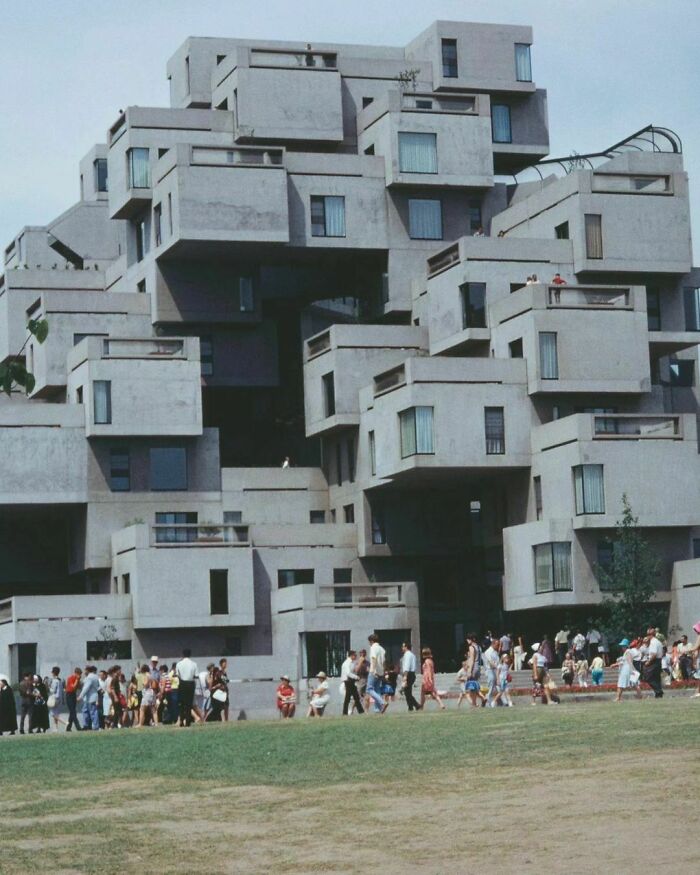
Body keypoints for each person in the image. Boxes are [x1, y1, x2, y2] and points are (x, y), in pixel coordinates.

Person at [176, 648, 198, 727]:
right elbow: (196, 676)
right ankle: (188, 721)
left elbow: (178, 675)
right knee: (189, 704)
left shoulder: (179, 664)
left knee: (181, 703)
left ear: (183, 654)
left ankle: (181, 720)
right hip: (190, 683)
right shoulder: (194, 664)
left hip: (182, 683)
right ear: (190, 654)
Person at [367, 633, 387, 714]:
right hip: (381, 671)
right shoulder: (382, 649)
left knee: (369, 689)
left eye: (369, 641)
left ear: (371, 641)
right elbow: (384, 662)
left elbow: (373, 659)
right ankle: (377, 709)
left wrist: (373, 670)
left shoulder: (373, 648)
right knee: (377, 689)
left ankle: (382, 702)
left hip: (374, 671)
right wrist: (383, 671)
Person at [340, 650, 364, 716]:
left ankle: (360, 711)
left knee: (355, 697)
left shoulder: (352, 662)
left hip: (351, 681)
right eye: (355, 655)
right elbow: (348, 673)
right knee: (350, 697)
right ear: (351, 655)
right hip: (348, 681)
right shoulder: (347, 663)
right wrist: (356, 677)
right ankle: (346, 712)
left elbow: (354, 670)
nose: (356, 656)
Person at [643, 627, 664, 698]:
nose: (647, 636)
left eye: (647, 634)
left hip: (654, 661)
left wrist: (648, 662)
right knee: (656, 678)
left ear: (650, 635)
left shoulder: (653, 642)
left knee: (648, 677)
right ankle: (658, 694)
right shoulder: (658, 641)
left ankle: (658, 691)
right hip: (658, 660)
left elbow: (654, 654)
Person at [400, 641, 420, 712]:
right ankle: (411, 707)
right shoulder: (412, 655)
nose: (402, 648)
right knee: (407, 692)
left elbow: (406, 667)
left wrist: (405, 677)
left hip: (408, 674)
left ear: (406, 647)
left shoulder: (407, 655)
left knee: (407, 692)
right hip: (412, 674)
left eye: (403, 646)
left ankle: (416, 705)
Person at [78, 665, 100, 730]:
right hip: (92, 697)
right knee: (87, 711)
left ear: (88, 670)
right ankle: (87, 725)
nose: (84, 672)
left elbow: (86, 688)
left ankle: (94, 726)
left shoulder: (89, 678)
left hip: (90, 698)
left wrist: (80, 696)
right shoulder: (95, 677)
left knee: (92, 712)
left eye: (85, 670)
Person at [483, 638, 501, 706]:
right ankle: (488, 703)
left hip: (495, 671)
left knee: (499, 688)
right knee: (490, 687)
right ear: (493, 644)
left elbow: (498, 661)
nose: (498, 646)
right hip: (490, 671)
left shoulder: (495, 652)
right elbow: (491, 662)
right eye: (497, 645)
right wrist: (497, 667)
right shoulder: (488, 652)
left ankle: (500, 703)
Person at [64, 667, 83, 731]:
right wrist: (77, 680)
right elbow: (73, 687)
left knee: (72, 712)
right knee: (73, 712)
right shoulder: (70, 678)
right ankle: (78, 727)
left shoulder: (77, 679)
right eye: (79, 674)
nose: (80, 676)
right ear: (76, 673)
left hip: (73, 695)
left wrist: (79, 681)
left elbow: (79, 687)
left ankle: (68, 727)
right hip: (69, 695)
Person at [48, 666, 66, 732]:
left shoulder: (55, 681)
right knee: (56, 713)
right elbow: (62, 691)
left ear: (53, 672)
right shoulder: (60, 680)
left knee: (52, 714)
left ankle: (65, 722)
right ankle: (55, 727)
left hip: (54, 698)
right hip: (59, 698)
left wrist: (48, 687)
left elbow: (53, 691)